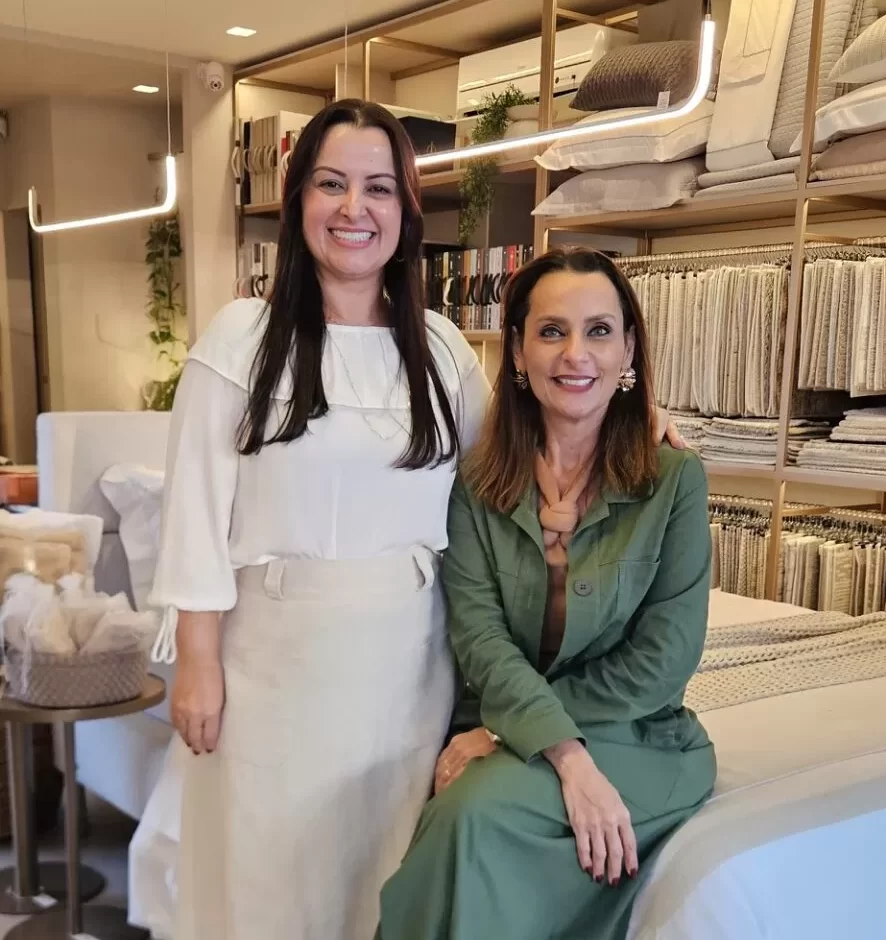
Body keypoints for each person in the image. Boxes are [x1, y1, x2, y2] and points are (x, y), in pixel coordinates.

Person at [144, 99, 685, 940]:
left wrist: (631, 416)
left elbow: (511, 458)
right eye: (331, 185)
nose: (354, 209)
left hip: (410, 667)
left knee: (386, 879)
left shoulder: (439, 349)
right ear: (298, 200)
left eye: (378, 189)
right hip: (272, 668)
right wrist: (197, 660)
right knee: (268, 881)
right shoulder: (240, 338)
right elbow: (194, 510)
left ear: (405, 208)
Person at [376, 247, 717, 940]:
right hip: (508, 725)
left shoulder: (676, 480)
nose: (575, 354)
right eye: (552, 331)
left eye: (599, 331)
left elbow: (666, 659)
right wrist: (563, 754)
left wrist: (514, 733)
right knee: (464, 814)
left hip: (637, 738)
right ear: (518, 351)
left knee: (471, 816)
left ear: (628, 351)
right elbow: (481, 641)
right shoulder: (475, 484)